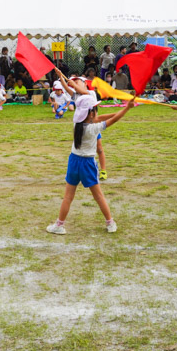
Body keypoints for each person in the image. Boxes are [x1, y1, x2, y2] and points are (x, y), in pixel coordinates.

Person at [45, 78, 136, 235]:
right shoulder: (94, 129)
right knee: (99, 196)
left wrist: (123, 109)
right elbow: (112, 120)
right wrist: (126, 109)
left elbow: (101, 117)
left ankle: (59, 225)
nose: (97, 111)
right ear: (90, 113)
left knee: (68, 197)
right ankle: (110, 223)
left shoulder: (77, 124)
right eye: (95, 109)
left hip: (74, 161)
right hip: (87, 164)